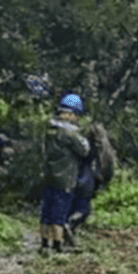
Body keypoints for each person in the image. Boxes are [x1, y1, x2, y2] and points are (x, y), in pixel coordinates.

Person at [39, 93, 90, 253]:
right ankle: (58, 246)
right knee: (59, 216)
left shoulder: (51, 129)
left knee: (46, 214)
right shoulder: (69, 133)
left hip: (50, 177)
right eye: (76, 114)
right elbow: (84, 150)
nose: (78, 118)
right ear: (68, 114)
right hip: (65, 180)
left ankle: (44, 244)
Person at [66, 120, 115, 243]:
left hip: (74, 177)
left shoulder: (83, 143)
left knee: (74, 207)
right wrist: (100, 178)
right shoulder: (102, 147)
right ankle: (68, 227)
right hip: (87, 180)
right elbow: (105, 166)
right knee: (83, 210)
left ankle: (66, 232)